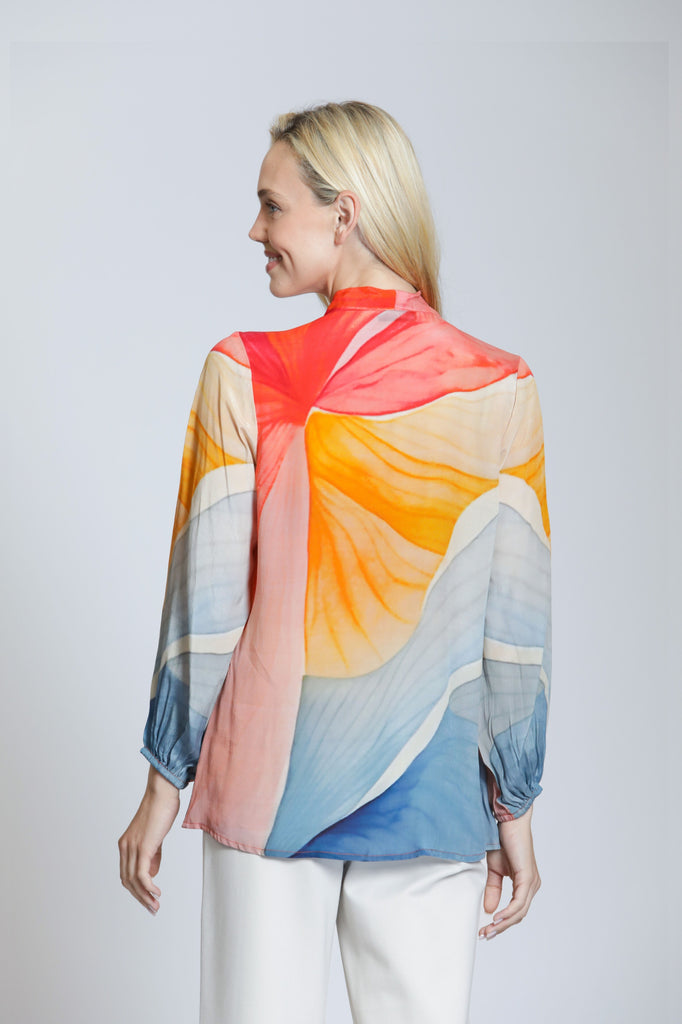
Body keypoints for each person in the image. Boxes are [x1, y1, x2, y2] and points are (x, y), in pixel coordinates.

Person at [119, 100, 551, 1024]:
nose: (256, 230)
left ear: (344, 214)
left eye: (272, 206)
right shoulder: (501, 386)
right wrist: (512, 805)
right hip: (435, 798)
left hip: (270, 788)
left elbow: (205, 607)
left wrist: (163, 780)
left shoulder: (248, 372)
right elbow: (513, 629)